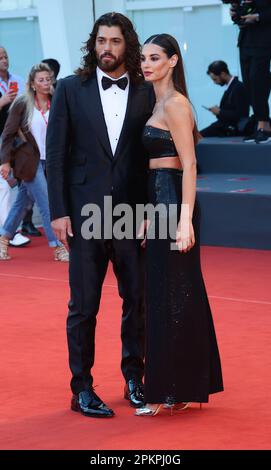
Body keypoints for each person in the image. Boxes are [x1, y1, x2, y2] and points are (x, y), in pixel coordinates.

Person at [46, 12, 154, 418]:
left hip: (132, 213)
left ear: (128, 44)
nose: (106, 48)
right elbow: (55, 157)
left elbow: (152, 157)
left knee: (137, 301)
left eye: (115, 41)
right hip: (85, 212)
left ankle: (134, 378)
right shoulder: (71, 89)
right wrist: (58, 212)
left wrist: (151, 214)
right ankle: (82, 388)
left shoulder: (146, 91)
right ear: (93, 44)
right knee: (84, 306)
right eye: (101, 41)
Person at [136, 34, 223, 416]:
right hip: (160, 203)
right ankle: (175, 387)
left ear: (172, 61)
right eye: (143, 58)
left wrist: (184, 220)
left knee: (177, 293)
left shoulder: (176, 104)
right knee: (164, 293)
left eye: (155, 58)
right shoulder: (158, 102)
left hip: (174, 204)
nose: (146, 64)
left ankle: (174, 388)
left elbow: (189, 165)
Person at [0, 63, 69, 262]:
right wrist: (4, 162)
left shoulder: (56, 100)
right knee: (48, 202)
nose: (46, 83)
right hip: (30, 162)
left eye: (48, 79)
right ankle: (57, 247)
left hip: (53, 160)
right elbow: (7, 134)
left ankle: (3, 238)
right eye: (41, 80)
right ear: (32, 83)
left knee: (23, 202)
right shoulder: (22, 103)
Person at [0, 45, 32, 245]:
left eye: (5, 56)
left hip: (14, 138)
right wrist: (2, 101)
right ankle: (9, 232)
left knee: (14, 184)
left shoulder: (17, 80)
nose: (4, 60)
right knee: (4, 185)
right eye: (0, 57)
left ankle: (10, 230)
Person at [230, 0, 271, 143]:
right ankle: (260, 122)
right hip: (245, 41)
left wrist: (257, 16)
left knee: (258, 80)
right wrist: (235, 14)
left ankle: (264, 125)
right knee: (248, 83)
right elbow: (238, 17)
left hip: (263, 42)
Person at [200, 60, 249, 137]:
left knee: (198, 137)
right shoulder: (232, 87)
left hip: (231, 129)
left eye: (215, 79)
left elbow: (241, 114)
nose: (214, 82)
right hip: (224, 126)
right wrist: (219, 111)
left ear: (223, 74)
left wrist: (220, 112)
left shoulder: (238, 87)